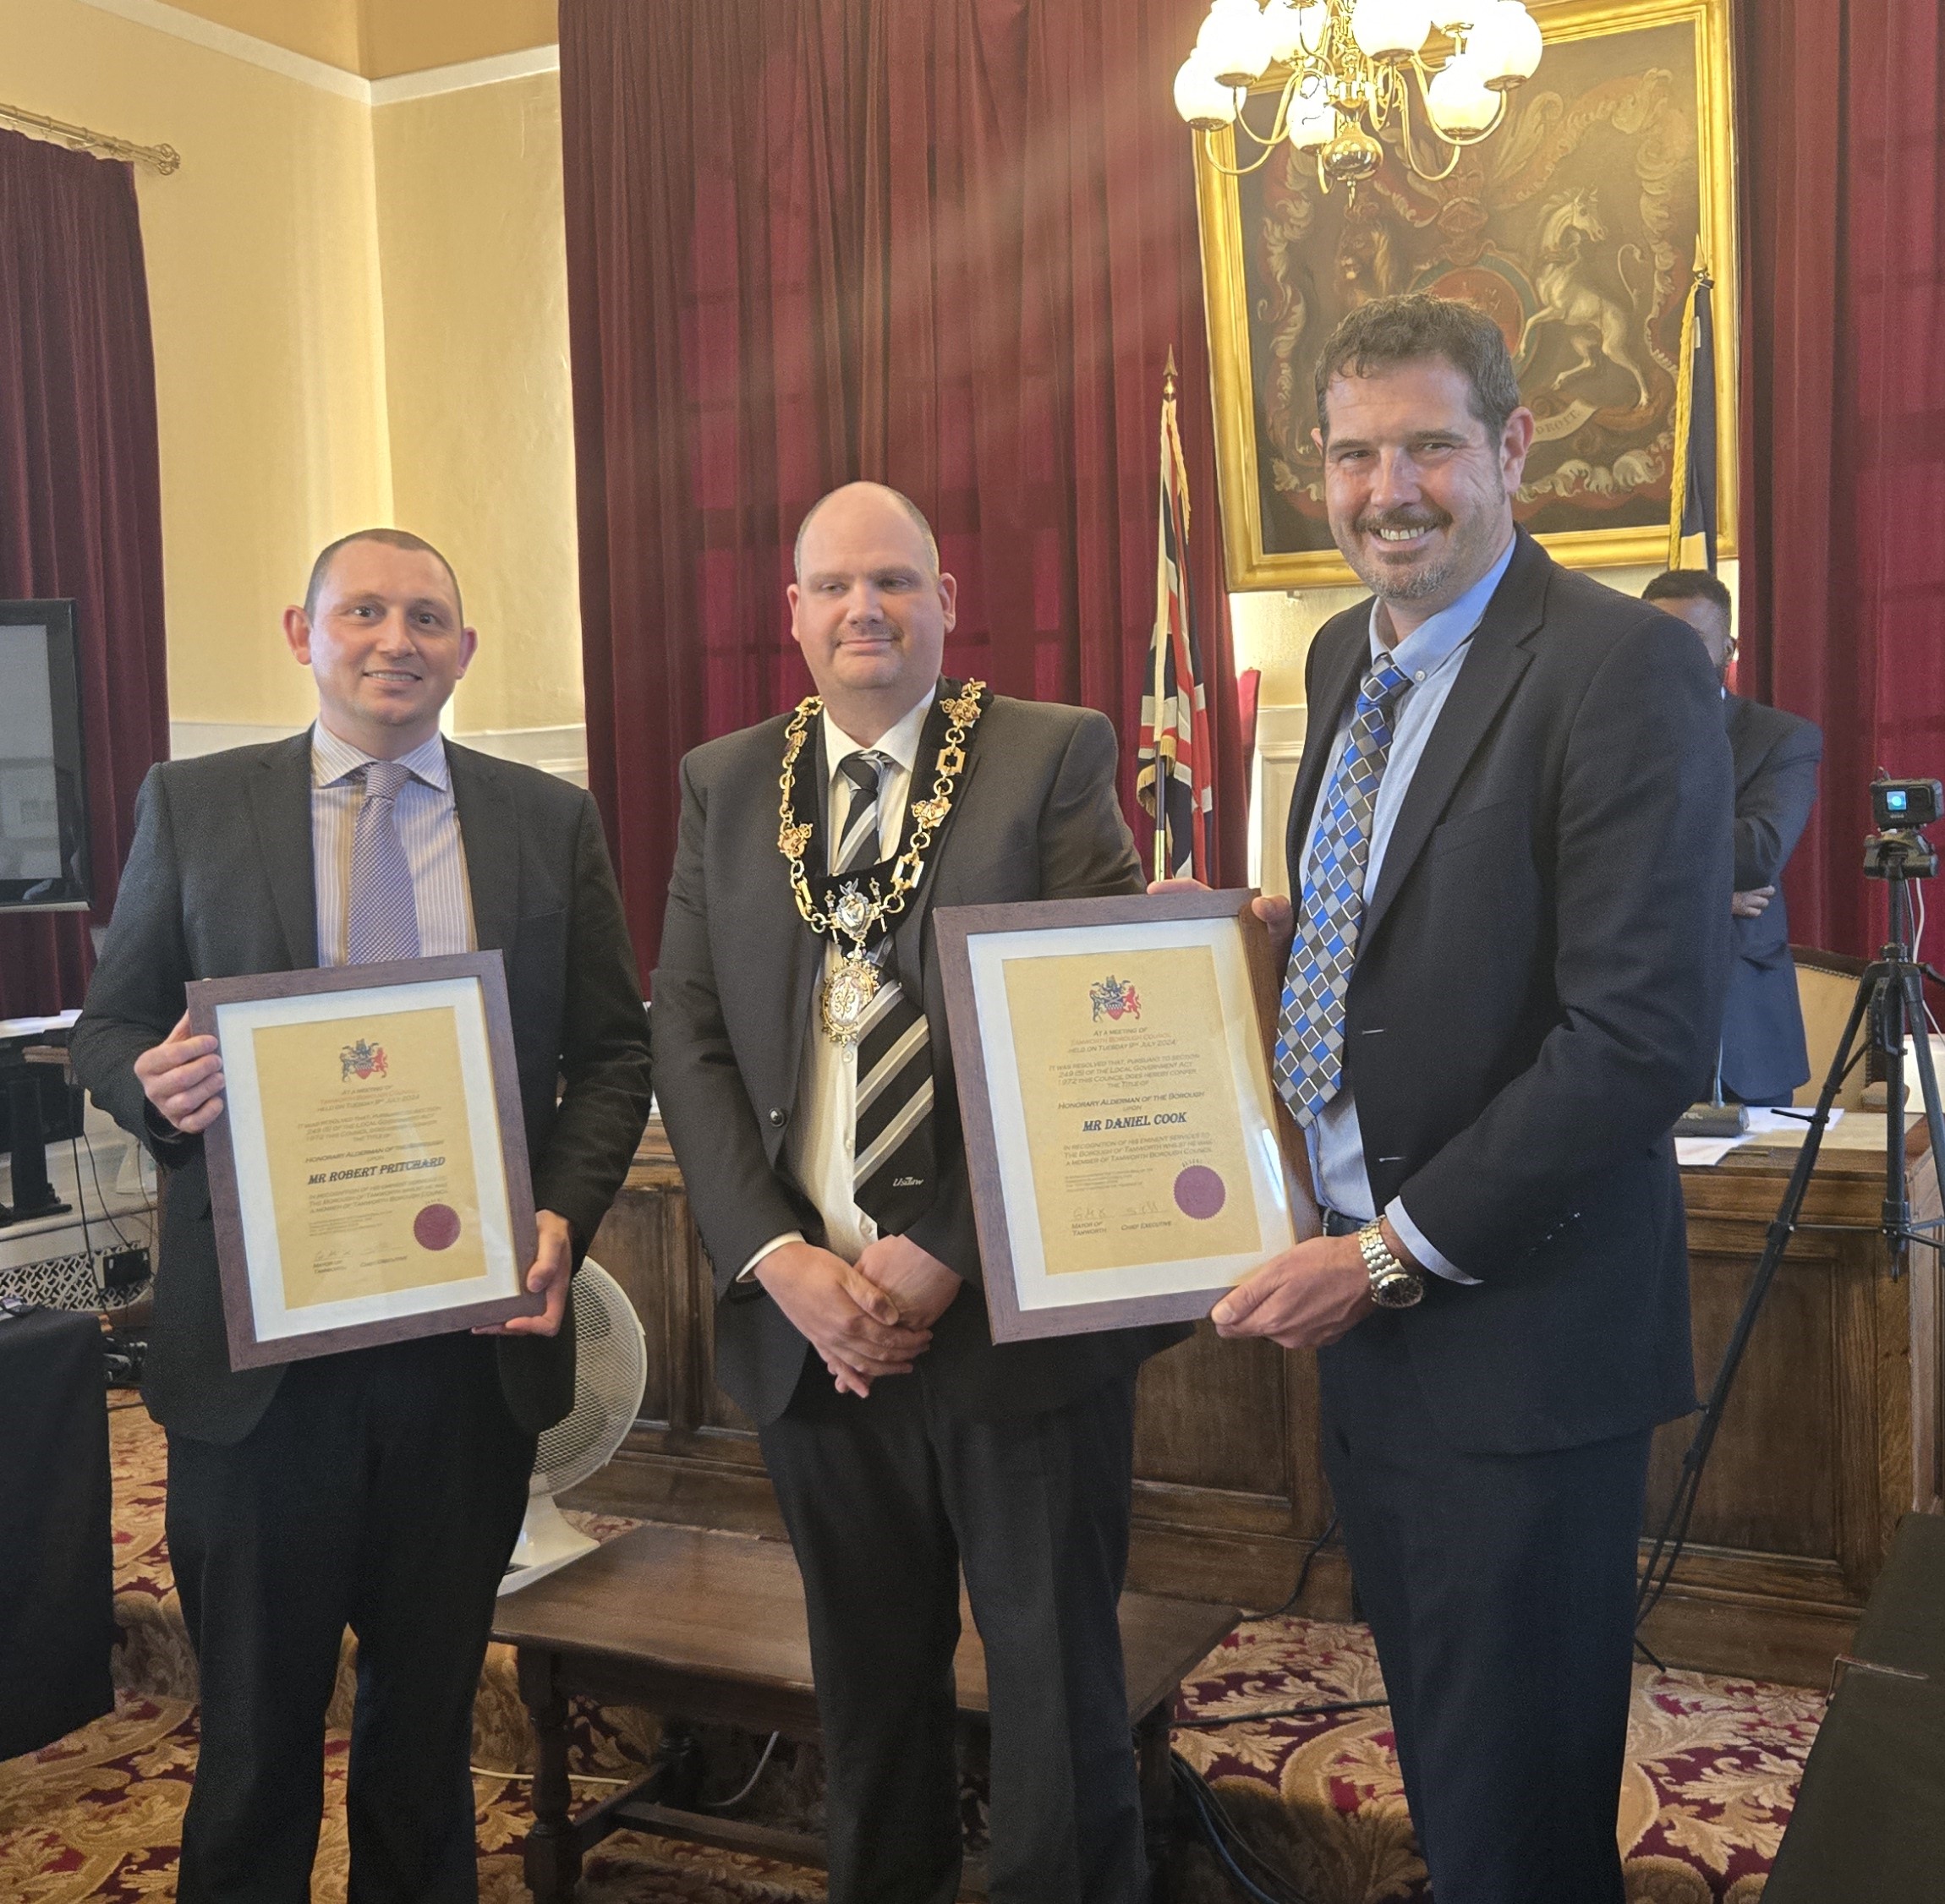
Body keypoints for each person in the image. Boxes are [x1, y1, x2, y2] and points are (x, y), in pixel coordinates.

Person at [1173, 297, 1732, 1903]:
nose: (1386, 488)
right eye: (1353, 454)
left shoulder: (1621, 669)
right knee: (1443, 1759)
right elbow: (1399, 928)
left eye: (1427, 445)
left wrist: (1393, 1251)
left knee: (1519, 1810)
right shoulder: (1347, 651)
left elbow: (1638, 1038)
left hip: (1518, 1331)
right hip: (1369, 1328)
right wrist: (1268, 949)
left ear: (1513, 451)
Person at [70, 529, 653, 1904]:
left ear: (461, 646)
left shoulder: (540, 820)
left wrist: (563, 1216)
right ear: (303, 631)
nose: (397, 638)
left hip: (464, 1363)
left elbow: (613, 1056)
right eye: (365, 611)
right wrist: (152, 1084)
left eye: (429, 616)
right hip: (259, 1373)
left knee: (424, 1739)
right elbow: (108, 1023)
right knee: (256, 1751)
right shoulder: (195, 803)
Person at [651, 481, 1186, 1904]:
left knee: (1056, 1699)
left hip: (1006, 1320)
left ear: (948, 600)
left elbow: (1090, 1024)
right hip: (811, 1329)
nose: (865, 610)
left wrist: (942, 1247)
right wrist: (779, 1257)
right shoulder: (723, 779)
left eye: (896, 582)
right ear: (794, 613)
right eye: (835, 586)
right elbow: (686, 1034)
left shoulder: (1047, 757)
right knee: (869, 1691)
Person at [1644, 568, 1822, 1105]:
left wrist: (1636, 849)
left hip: (1740, 1038)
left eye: (1692, 639)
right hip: (1623, 1030)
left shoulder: (1781, 738)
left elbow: (1756, 853)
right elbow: (1564, 856)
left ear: (1729, 646)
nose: (1674, 654)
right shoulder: (1594, 736)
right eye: (1658, 637)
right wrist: (1712, 895)